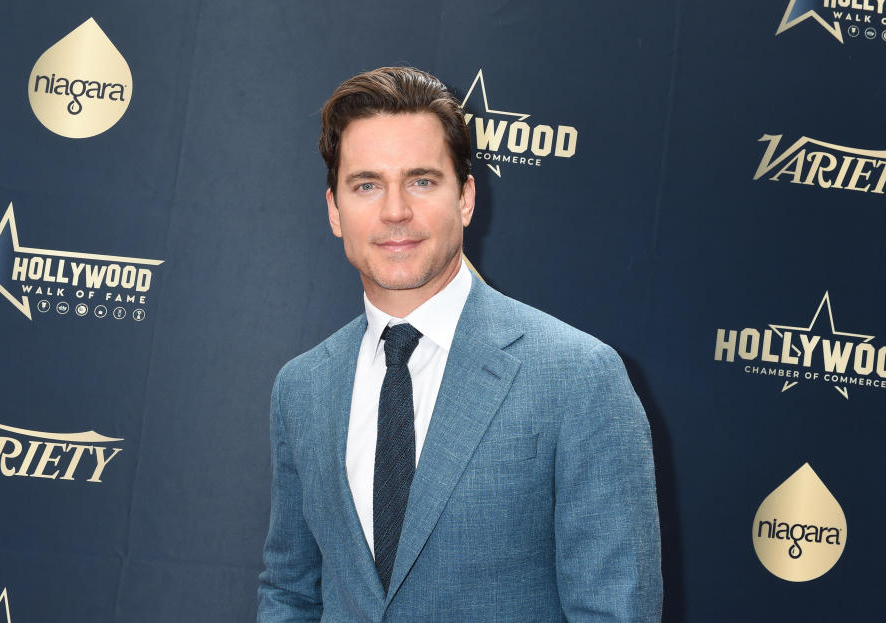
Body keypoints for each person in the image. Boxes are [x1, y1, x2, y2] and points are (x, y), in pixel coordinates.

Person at [257, 66, 662, 622]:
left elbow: (616, 611)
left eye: (421, 180)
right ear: (334, 210)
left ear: (466, 198)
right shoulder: (301, 387)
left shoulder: (578, 378)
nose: (395, 210)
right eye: (367, 184)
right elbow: (290, 591)